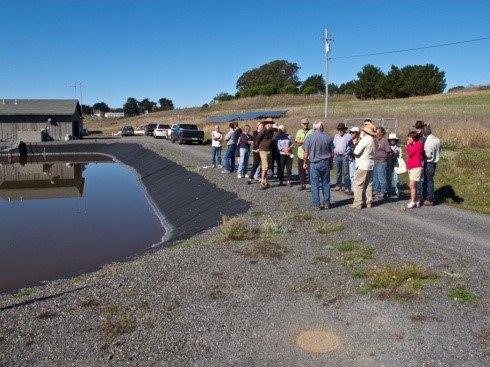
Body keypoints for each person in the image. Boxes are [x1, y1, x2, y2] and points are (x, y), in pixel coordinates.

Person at [303, 120, 334, 210]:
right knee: (326, 183)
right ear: (321, 128)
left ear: (314, 128)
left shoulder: (309, 137)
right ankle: (327, 203)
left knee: (315, 184)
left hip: (314, 163)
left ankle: (316, 204)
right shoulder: (328, 137)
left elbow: (306, 152)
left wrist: (305, 162)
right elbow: (331, 152)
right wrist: (331, 163)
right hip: (325, 162)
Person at [351, 120, 377, 209]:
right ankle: (368, 202)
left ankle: (358, 203)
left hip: (362, 164)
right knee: (369, 184)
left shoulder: (365, 140)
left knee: (359, 184)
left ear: (365, 132)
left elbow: (356, 152)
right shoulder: (373, 141)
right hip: (370, 164)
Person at [421, 124, 441, 206]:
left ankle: (429, 198)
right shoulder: (437, 139)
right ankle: (428, 196)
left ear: (424, 133)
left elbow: (428, 154)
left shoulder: (428, 142)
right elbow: (439, 150)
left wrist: (422, 155)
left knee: (427, 180)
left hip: (429, 162)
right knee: (430, 180)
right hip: (434, 162)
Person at [406, 131, 424, 209]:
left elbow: (410, 153)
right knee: (414, 186)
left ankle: (413, 201)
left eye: (409, 137)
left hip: (416, 167)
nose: (408, 138)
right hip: (412, 166)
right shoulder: (413, 145)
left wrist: (408, 145)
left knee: (412, 185)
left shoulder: (418, 145)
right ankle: (417, 201)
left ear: (413, 138)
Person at [373, 126, 392, 199]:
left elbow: (388, 151)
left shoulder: (384, 141)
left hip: (382, 161)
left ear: (382, 133)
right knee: (375, 177)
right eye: (376, 132)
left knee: (381, 177)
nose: (377, 133)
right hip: (375, 161)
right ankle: (376, 190)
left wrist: (385, 159)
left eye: (378, 132)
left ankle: (383, 191)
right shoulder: (375, 140)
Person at [332, 123, 352, 192]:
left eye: (341, 129)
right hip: (337, 156)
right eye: (339, 130)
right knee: (338, 172)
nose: (340, 131)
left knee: (346, 172)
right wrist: (335, 151)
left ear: (344, 130)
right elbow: (334, 145)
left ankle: (347, 187)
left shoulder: (348, 136)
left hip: (344, 156)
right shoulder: (336, 136)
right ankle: (338, 185)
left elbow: (350, 145)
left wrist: (348, 153)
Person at [256, 119, 274, 189]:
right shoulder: (263, 131)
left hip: (268, 150)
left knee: (267, 166)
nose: (270, 125)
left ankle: (265, 180)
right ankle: (262, 181)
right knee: (265, 165)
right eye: (269, 123)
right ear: (266, 124)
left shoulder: (271, 131)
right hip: (263, 149)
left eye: (271, 123)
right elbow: (258, 139)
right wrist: (260, 146)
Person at [295, 118, 312, 190]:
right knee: (301, 170)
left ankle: (312, 184)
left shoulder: (312, 131)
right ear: (301, 124)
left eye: (307, 123)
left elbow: (312, 141)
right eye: (304, 124)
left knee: (310, 170)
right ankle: (302, 184)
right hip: (301, 154)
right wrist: (305, 141)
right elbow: (297, 141)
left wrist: (302, 141)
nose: (306, 125)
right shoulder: (299, 132)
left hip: (309, 154)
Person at [414, 120, 427, 198]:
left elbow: (425, 149)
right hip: (416, 158)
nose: (418, 130)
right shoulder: (415, 136)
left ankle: (421, 194)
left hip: (422, 158)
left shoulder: (424, 138)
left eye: (419, 128)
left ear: (422, 128)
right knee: (416, 177)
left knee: (421, 177)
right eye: (417, 128)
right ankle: (417, 193)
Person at [387, 133, 401, 198]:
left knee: (396, 178)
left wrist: (395, 154)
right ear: (389, 140)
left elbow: (399, 156)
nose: (392, 141)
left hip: (395, 164)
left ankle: (397, 192)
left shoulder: (398, 148)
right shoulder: (387, 147)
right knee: (388, 178)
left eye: (394, 140)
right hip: (389, 164)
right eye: (391, 140)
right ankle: (388, 192)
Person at [347, 126, 360, 196]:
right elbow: (349, 150)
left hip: (358, 160)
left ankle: (358, 189)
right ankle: (353, 189)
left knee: (358, 175)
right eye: (350, 132)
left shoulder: (360, 141)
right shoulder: (350, 142)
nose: (351, 133)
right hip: (351, 159)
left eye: (353, 132)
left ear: (357, 133)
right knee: (352, 175)